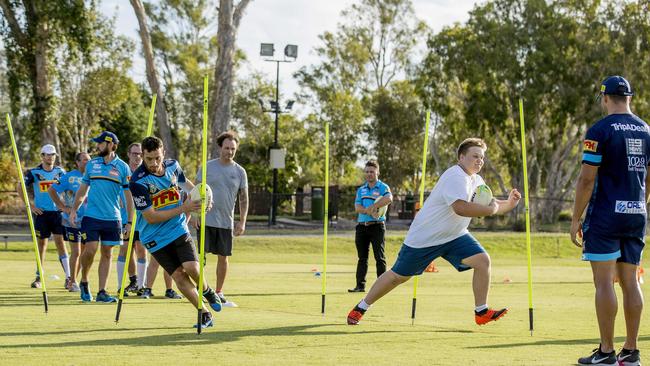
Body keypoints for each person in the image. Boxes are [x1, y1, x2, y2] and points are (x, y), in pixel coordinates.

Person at [347, 138, 521, 327]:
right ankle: (362, 307)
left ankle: (481, 312)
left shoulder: (477, 180)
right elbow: (461, 208)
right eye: (475, 156)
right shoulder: (454, 176)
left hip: (455, 236)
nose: (480, 161)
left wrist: (509, 204)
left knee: (482, 260)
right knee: (398, 277)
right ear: (461, 157)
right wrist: (492, 210)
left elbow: (489, 203)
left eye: (482, 157)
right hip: (424, 239)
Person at [571, 76, 647, 366]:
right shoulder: (646, 130)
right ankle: (631, 351)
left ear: (605, 98)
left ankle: (606, 352)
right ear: (629, 98)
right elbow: (648, 180)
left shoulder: (600, 130)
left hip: (605, 215)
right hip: (637, 213)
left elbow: (587, 179)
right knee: (630, 281)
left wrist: (575, 218)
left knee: (604, 282)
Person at [130, 136, 222, 328]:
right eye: (149, 159)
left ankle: (206, 290)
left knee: (192, 268)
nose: (154, 163)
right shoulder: (138, 181)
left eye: (157, 158)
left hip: (177, 228)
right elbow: (151, 217)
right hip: (154, 237)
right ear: (143, 157)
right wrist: (185, 207)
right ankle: (204, 314)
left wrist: (201, 197)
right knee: (179, 276)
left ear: (163, 153)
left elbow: (184, 182)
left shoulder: (172, 166)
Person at [69, 131, 133, 303]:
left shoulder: (123, 167)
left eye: (100, 143)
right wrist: (74, 209)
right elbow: (83, 190)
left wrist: (129, 222)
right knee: (90, 249)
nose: (97, 146)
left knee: (107, 253)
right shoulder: (92, 165)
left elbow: (129, 197)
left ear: (111, 144)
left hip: (113, 218)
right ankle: (84, 280)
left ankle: (102, 292)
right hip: (92, 216)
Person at [193, 131, 248, 306]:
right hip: (205, 219)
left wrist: (242, 221)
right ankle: (201, 290)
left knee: (223, 257)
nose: (229, 152)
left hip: (226, 222)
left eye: (233, 149)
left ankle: (218, 292)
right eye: (226, 148)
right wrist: (194, 215)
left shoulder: (240, 172)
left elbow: (244, 198)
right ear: (220, 147)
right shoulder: (207, 167)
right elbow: (195, 190)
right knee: (201, 257)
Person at [18, 144, 69, 289]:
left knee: (61, 243)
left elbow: (69, 188)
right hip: (42, 214)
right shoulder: (34, 172)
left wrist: (66, 205)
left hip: (58, 213)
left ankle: (69, 277)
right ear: (42, 156)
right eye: (47, 154)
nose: (50, 157)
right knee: (41, 245)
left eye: (52, 154)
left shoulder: (61, 172)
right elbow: (19, 186)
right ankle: (39, 277)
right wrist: (31, 206)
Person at [48, 152, 91, 292]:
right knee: (76, 252)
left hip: (90, 219)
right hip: (72, 220)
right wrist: (62, 207)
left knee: (85, 252)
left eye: (89, 160)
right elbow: (51, 189)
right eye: (84, 160)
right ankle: (72, 281)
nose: (87, 162)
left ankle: (74, 280)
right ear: (77, 162)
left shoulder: (93, 176)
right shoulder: (69, 177)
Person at [348, 160, 392, 293]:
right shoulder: (361, 189)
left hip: (377, 226)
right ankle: (360, 286)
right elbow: (357, 207)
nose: (369, 174)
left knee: (379, 257)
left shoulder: (383, 187)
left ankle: (382, 287)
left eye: (372, 172)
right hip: (362, 227)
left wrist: (374, 207)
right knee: (362, 258)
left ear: (377, 172)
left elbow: (389, 198)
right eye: (367, 172)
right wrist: (368, 210)